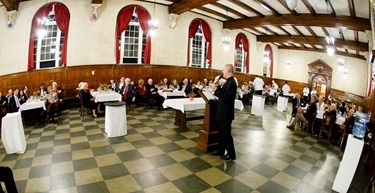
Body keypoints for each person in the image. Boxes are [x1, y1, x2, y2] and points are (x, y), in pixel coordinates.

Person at [210, 64, 237, 161]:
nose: (222, 71)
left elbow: (226, 98)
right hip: (222, 112)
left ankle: (231, 154)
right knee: (221, 134)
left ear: (229, 70)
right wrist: (218, 87)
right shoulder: (228, 82)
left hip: (226, 113)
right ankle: (220, 151)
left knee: (226, 134)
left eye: (223, 70)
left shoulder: (232, 83)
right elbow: (224, 94)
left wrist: (216, 89)